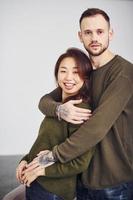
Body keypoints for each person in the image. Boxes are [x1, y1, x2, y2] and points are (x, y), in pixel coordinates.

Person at [37, 8, 133, 200]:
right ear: (80, 36)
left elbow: (97, 127)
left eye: (100, 31)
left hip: (113, 183)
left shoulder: (123, 73)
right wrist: (59, 109)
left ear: (110, 34)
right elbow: (44, 101)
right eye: (88, 32)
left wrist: (52, 157)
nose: (94, 38)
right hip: (82, 177)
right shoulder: (84, 72)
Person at [3, 48, 94, 200]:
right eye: (63, 71)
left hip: (52, 190)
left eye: (76, 71)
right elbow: (46, 142)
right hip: (37, 181)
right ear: (57, 74)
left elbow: (80, 163)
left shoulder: (80, 111)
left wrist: (41, 171)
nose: (68, 77)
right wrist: (25, 160)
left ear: (85, 77)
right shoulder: (58, 106)